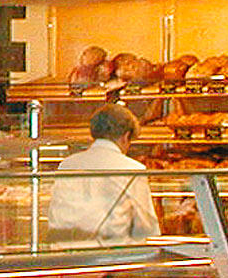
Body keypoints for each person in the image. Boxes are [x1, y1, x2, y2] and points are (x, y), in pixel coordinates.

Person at [47, 104, 162, 243]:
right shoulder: (132, 170)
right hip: (112, 257)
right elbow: (146, 228)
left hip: (68, 256)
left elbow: (56, 218)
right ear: (126, 137)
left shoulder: (67, 165)